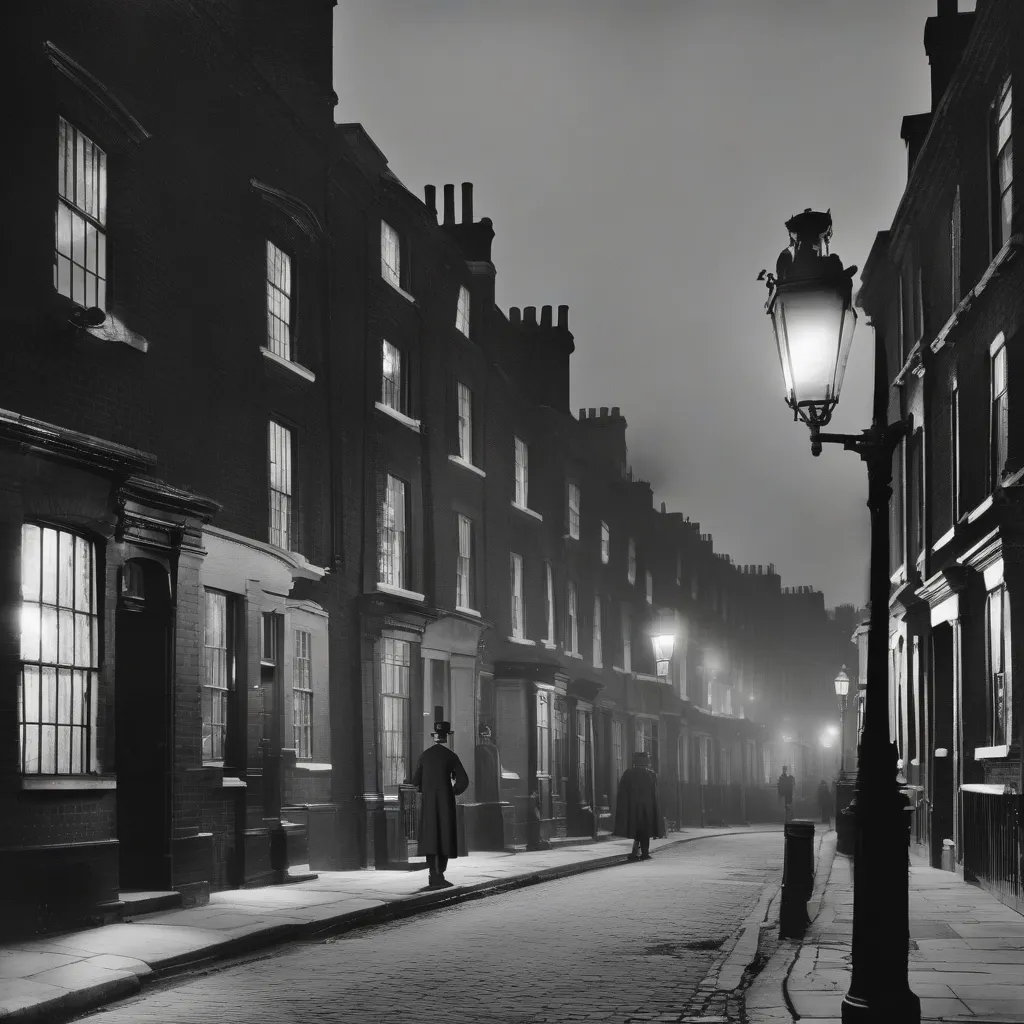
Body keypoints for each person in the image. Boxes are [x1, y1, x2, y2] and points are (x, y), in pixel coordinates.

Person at [412, 721, 469, 889]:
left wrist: (425, 788)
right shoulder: (451, 756)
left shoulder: (425, 755)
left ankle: (432, 874)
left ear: (434, 737)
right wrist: (454, 790)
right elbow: (464, 780)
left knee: (430, 837)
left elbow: (416, 781)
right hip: (445, 803)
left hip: (429, 803)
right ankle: (440, 874)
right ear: (447, 737)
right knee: (444, 837)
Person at [614, 751, 664, 862]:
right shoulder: (651, 774)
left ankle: (635, 852)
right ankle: (644, 853)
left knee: (635, 830)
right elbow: (655, 794)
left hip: (633, 808)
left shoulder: (628, 773)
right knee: (645, 831)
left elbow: (622, 792)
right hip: (648, 809)